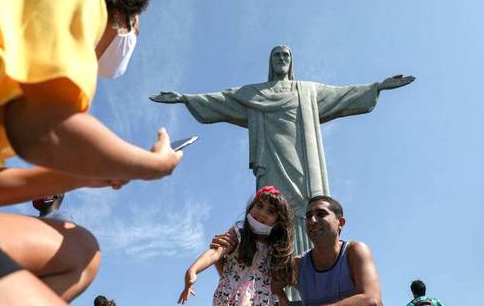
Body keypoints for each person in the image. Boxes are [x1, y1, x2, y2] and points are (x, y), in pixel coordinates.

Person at [0, 0, 183, 306]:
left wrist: (75, 177)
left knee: (81, 252)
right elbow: (41, 127)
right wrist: (151, 165)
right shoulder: (87, 1)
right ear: (124, 20)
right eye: (134, 27)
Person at [150, 45, 415, 255]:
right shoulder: (254, 93)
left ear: (291, 61)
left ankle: (314, 266)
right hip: (272, 160)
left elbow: (342, 95)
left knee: (309, 211)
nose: (281, 58)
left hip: (304, 163)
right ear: (270, 61)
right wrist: (186, 98)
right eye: (276, 55)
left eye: (285, 55)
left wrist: (376, 87)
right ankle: (278, 273)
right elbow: (223, 99)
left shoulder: (307, 91)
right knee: (273, 212)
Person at [213, 195, 387, 306]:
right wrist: (224, 257)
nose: (312, 220)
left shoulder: (354, 251)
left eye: (321, 214)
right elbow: (259, 284)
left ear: (340, 223)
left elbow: (371, 301)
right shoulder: (298, 265)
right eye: (308, 216)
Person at [178, 186, 295, 306]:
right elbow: (216, 252)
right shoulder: (239, 232)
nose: (262, 213)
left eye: (271, 211)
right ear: (251, 206)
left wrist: (281, 294)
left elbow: (267, 279)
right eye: (259, 205)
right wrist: (193, 270)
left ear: (278, 221)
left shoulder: (274, 248)